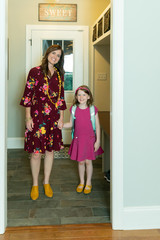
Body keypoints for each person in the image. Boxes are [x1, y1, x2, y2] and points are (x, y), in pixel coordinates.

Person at [20, 44, 67, 200]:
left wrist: (61, 118)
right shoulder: (35, 72)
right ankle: (35, 184)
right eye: (53, 53)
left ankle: (46, 182)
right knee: (35, 153)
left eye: (58, 55)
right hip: (37, 117)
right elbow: (27, 96)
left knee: (50, 151)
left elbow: (61, 99)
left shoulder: (60, 75)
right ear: (47, 53)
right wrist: (28, 117)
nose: (55, 57)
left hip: (53, 118)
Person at [62, 85, 103, 194]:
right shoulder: (74, 109)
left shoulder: (93, 109)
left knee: (88, 162)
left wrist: (98, 141)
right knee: (80, 162)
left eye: (84, 95)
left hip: (90, 140)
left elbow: (97, 126)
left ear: (88, 96)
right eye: (79, 95)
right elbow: (71, 123)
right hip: (78, 140)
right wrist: (61, 125)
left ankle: (88, 182)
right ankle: (81, 182)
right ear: (76, 96)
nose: (81, 97)